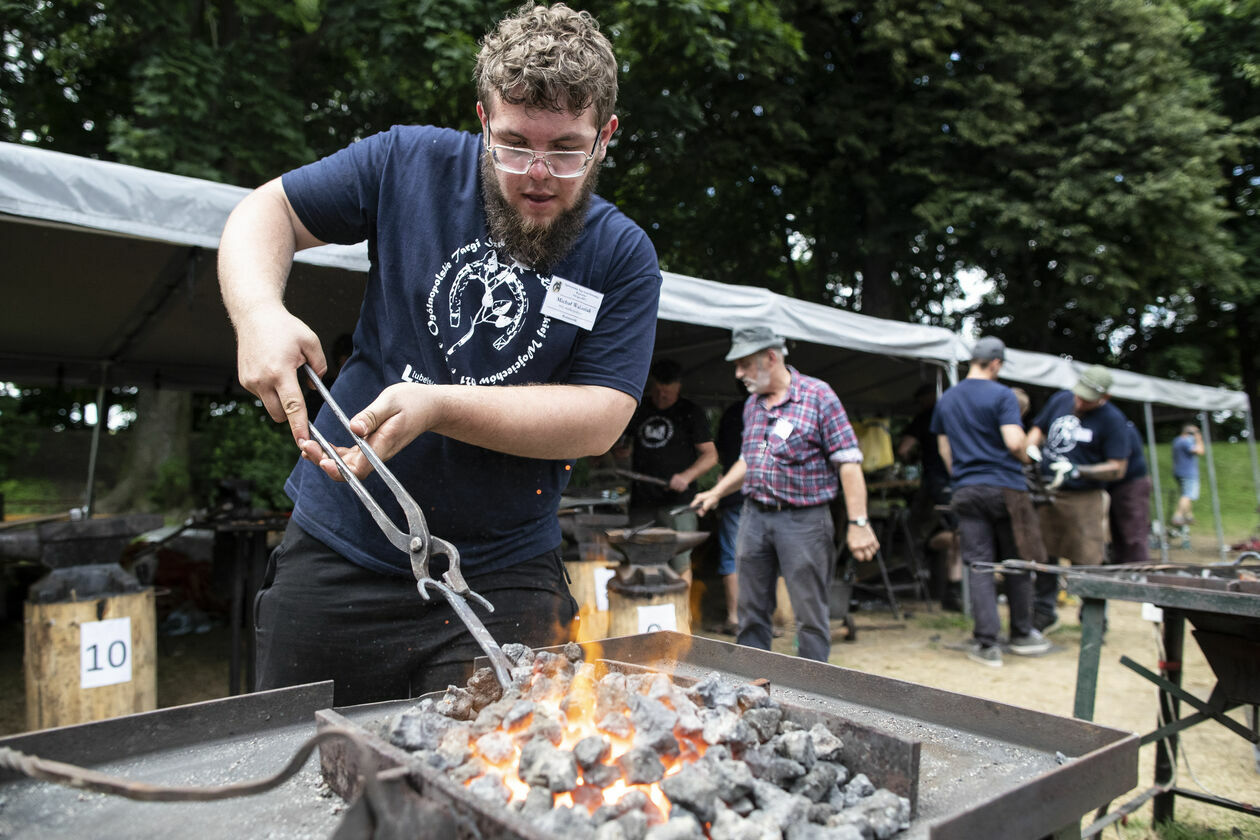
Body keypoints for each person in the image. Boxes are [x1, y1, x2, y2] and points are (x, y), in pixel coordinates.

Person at [217, 3, 662, 705]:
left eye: (567, 150)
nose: (538, 174)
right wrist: (258, 313)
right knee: (296, 767)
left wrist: (437, 406)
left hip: (505, 570)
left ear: (605, 136)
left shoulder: (622, 253)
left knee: (511, 782)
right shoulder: (406, 162)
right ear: (482, 119)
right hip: (342, 544)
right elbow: (263, 212)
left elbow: (602, 415)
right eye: (514, 143)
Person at [692, 327, 879, 662]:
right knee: (751, 612)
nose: (739, 374)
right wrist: (717, 492)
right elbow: (751, 459)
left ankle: (812, 692)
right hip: (754, 517)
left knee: (809, 615)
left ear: (771, 357)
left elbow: (849, 463)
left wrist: (859, 522)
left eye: (745, 364)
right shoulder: (753, 406)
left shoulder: (819, 396)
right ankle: (753, 687)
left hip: (804, 520)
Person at [930, 337, 1050, 667]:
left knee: (979, 565)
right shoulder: (1002, 395)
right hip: (1007, 488)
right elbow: (1014, 442)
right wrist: (1029, 454)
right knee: (1017, 560)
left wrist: (964, 475)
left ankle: (986, 644)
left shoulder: (947, 399)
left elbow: (944, 450)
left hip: (967, 489)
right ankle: (1022, 634)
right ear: (995, 363)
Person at [1025, 365, 1129, 633]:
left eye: (1088, 399)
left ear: (1104, 397)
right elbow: (1038, 429)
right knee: (1044, 556)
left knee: (1088, 559)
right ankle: (1044, 612)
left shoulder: (1113, 420)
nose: (1080, 402)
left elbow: (1118, 467)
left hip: (1084, 496)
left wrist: (1079, 470)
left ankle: (1093, 616)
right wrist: (1030, 450)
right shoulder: (1061, 399)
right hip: (1049, 492)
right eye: (1079, 395)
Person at [619, 358, 717, 584]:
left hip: (678, 504)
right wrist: (621, 452)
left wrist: (686, 476)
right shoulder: (640, 409)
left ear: (678, 387)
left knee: (679, 563)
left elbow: (711, 455)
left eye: (668, 392)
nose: (662, 396)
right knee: (642, 560)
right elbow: (623, 445)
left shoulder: (690, 412)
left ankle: (683, 618)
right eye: (658, 390)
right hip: (642, 501)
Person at [896, 382, 959, 610]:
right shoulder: (959, 413)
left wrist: (910, 460)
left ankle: (923, 556)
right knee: (958, 529)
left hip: (936, 482)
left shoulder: (926, 417)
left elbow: (904, 449)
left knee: (918, 529)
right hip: (960, 482)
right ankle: (953, 588)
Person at [713, 398, 746, 634]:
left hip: (734, 494)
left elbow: (721, 453)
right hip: (765, 496)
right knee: (767, 557)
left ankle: (734, 618)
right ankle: (770, 619)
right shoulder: (776, 409)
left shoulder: (734, 412)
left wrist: (720, 487)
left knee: (731, 556)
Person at [1108, 421, 1152, 565]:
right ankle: (1122, 575)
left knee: (1134, 536)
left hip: (1131, 484)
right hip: (1114, 485)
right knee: (1119, 537)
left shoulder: (1117, 425)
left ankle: (1140, 577)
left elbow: (1119, 463)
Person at [1172, 424, 1205, 527]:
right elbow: (1200, 451)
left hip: (1179, 472)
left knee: (1185, 494)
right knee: (1188, 495)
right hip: (1188, 473)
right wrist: (1199, 439)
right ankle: (1178, 516)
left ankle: (1189, 516)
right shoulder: (1185, 442)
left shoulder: (1177, 440)